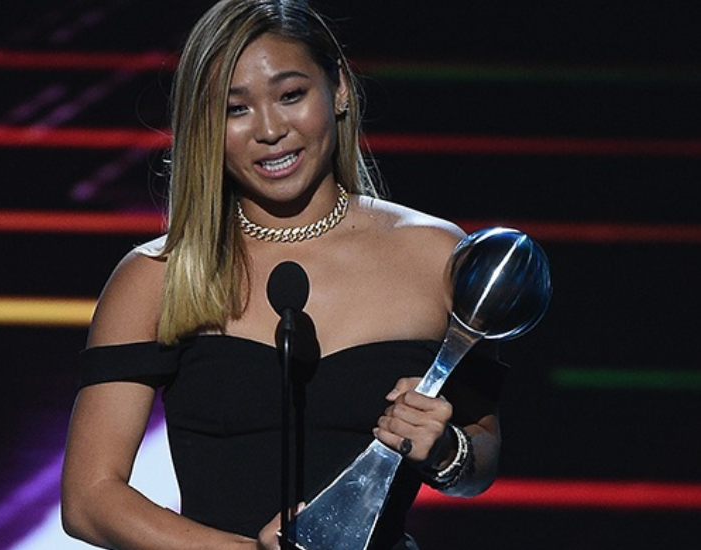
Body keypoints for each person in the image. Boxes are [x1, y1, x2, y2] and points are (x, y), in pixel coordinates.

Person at [61, 1, 508, 549]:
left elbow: (481, 456)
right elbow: (90, 499)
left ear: (338, 89)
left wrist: (445, 452)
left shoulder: (436, 257)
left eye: (291, 95)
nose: (270, 130)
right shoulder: (157, 277)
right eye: (235, 109)